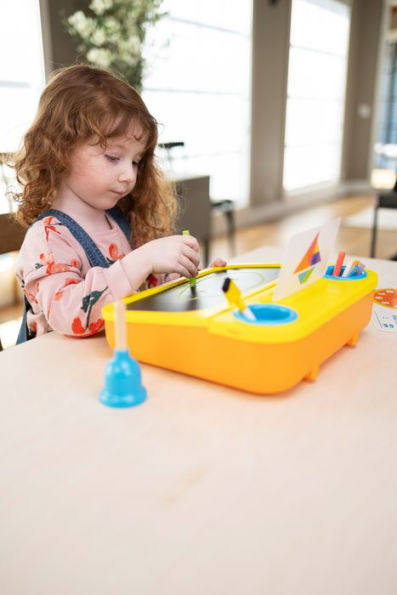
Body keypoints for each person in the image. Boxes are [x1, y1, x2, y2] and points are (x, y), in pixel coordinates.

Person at [13, 64, 226, 341]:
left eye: (136, 161)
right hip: (61, 375)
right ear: (60, 150)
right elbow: (70, 315)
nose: (129, 175)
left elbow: (142, 288)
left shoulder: (120, 221)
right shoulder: (48, 238)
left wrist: (188, 282)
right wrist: (145, 259)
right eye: (113, 157)